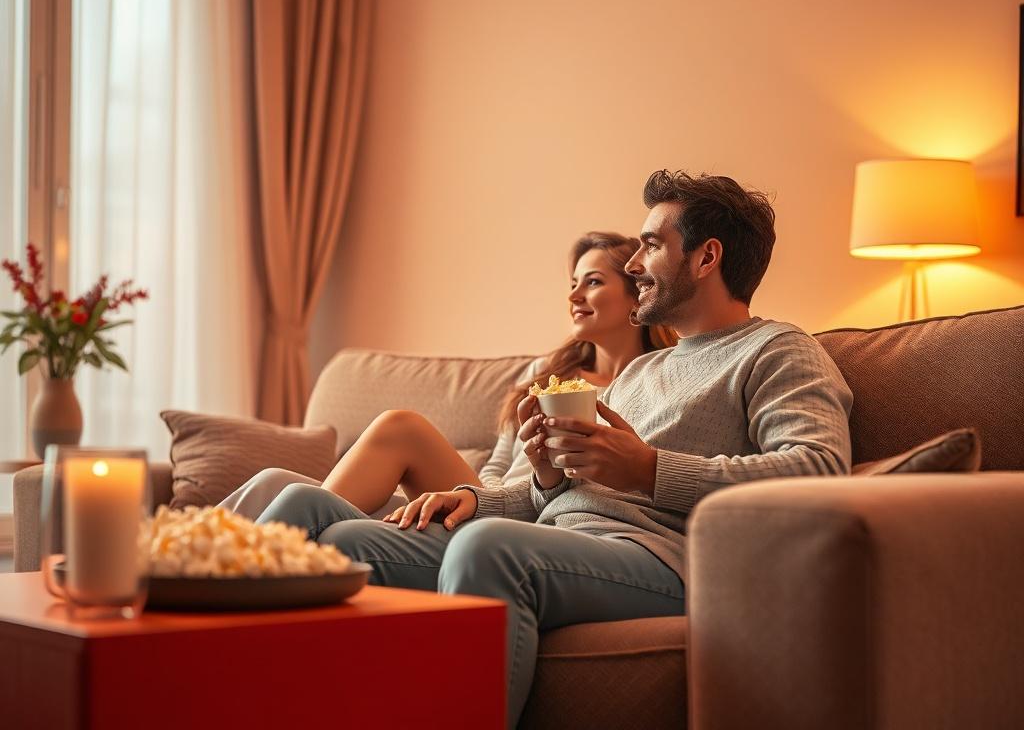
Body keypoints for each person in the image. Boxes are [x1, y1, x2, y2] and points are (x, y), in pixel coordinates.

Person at [255, 170, 854, 728]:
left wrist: (649, 469)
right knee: (337, 539)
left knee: (492, 550)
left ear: (706, 256)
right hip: (568, 538)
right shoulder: (641, 373)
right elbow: (563, 493)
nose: (637, 262)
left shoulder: (778, 349)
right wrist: (501, 488)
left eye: (650, 246)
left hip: (661, 557)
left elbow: (820, 469)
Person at [219, 231, 677, 519]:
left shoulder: (652, 385)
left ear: (637, 295)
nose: (575, 294)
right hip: (486, 499)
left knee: (401, 428)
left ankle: (283, 553)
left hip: (541, 517)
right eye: (572, 283)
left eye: (593, 282)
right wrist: (475, 494)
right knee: (276, 482)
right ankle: (178, 565)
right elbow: (498, 464)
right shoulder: (546, 372)